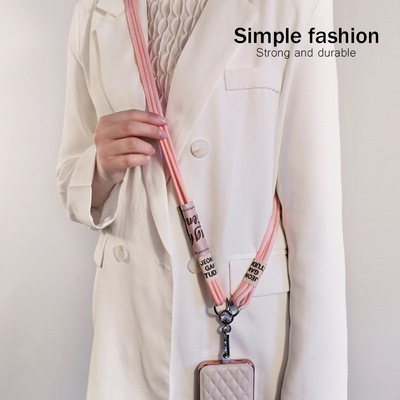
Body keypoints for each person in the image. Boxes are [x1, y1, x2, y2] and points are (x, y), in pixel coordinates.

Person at [56, 0, 347, 399]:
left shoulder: (298, 7)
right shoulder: (93, 10)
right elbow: (70, 181)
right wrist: (98, 168)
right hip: (126, 333)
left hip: (241, 323)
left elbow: (316, 219)